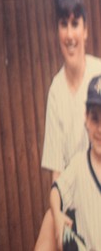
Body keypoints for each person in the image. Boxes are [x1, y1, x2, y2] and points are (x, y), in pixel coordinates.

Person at [36, 0, 101, 248]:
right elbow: (58, 176)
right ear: (58, 31)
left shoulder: (99, 73)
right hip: (72, 195)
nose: (70, 34)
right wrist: (59, 215)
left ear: (85, 29)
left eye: (75, 24)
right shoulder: (56, 91)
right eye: (64, 25)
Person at [47, 73, 101, 251]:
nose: (100, 129)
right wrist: (57, 215)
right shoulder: (79, 166)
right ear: (86, 118)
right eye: (95, 119)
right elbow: (57, 191)